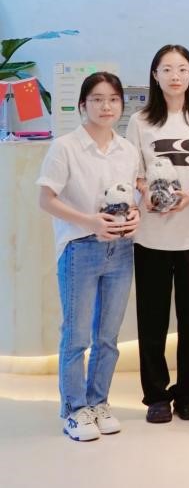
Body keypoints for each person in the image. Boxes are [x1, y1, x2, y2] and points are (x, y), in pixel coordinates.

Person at [37, 71, 141, 441]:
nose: (106, 106)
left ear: (121, 104)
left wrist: (135, 215)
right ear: (83, 105)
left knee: (108, 337)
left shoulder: (127, 150)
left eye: (113, 99)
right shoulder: (65, 147)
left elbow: (132, 196)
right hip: (80, 248)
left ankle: (99, 402)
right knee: (77, 336)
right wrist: (89, 222)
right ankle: (74, 409)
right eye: (97, 99)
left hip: (121, 249)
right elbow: (46, 199)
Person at [126, 45, 189, 423]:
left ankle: (188, 393)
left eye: (182, 69)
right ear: (155, 75)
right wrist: (147, 192)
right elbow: (134, 169)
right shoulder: (140, 121)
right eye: (166, 69)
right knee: (151, 319)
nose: (175, 76)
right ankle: (155, 395)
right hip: (151, 235)